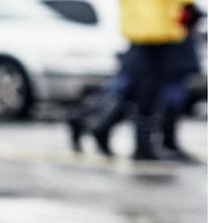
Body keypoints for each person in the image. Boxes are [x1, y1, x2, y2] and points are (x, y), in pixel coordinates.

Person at [68, 25, 202, 161]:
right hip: (158, 33)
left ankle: (96, 126)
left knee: (140, 89)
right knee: (136, 88)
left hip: (161, 33)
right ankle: (93, 125)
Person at [113, 0, 199, 160]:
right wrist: (190, 6)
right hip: (161, 28)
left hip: (139, 27)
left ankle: (142, 143)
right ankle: (145, 145)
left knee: (138, 87)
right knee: (153, 89)